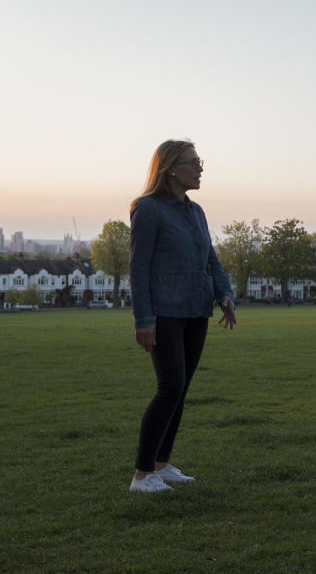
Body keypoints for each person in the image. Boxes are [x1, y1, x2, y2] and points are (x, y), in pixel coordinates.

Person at [129, 139, 237, 493]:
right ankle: (142, 474)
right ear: (171, 168)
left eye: (199, 161)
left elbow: (212, 259)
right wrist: (143, 320)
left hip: (196, 311)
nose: (200, 168)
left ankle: (162, 463)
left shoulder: (196, 212)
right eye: (193, 162)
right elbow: (138, 267)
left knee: (181, 389)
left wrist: (225, 294)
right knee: (169, 387)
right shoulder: (148, 210)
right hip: (164, 314)